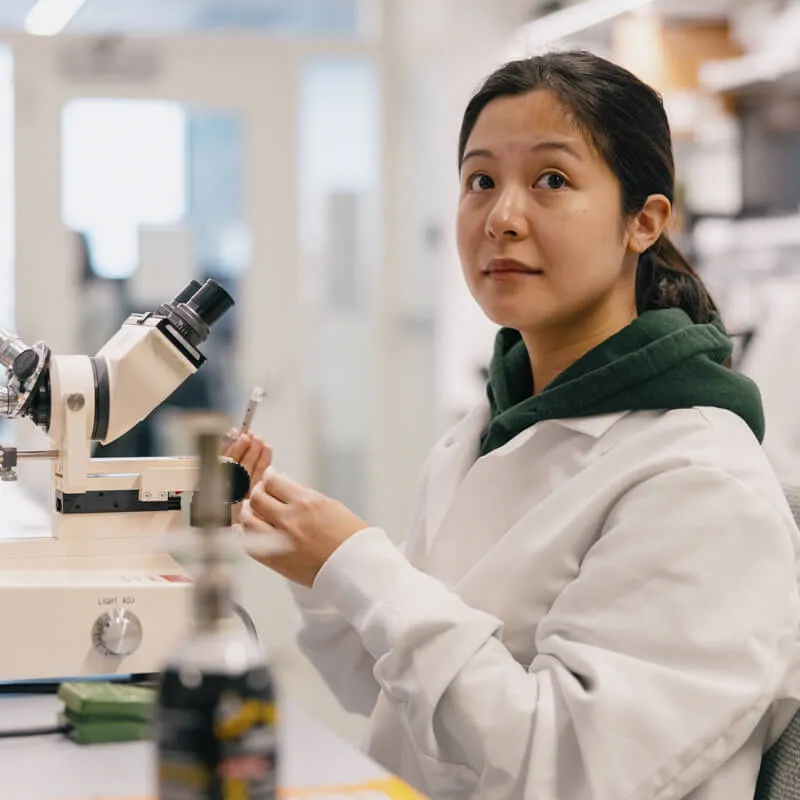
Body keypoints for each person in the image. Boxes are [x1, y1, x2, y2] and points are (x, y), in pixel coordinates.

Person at [223, 51, 800, 800]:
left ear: (644, 220)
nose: (502, 217)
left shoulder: (700, 482)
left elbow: (570, 769)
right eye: (481, 181)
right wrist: (310, 556)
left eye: (551, 181)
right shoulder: (492, 425)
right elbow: (398, 692)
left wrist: (358, 563)